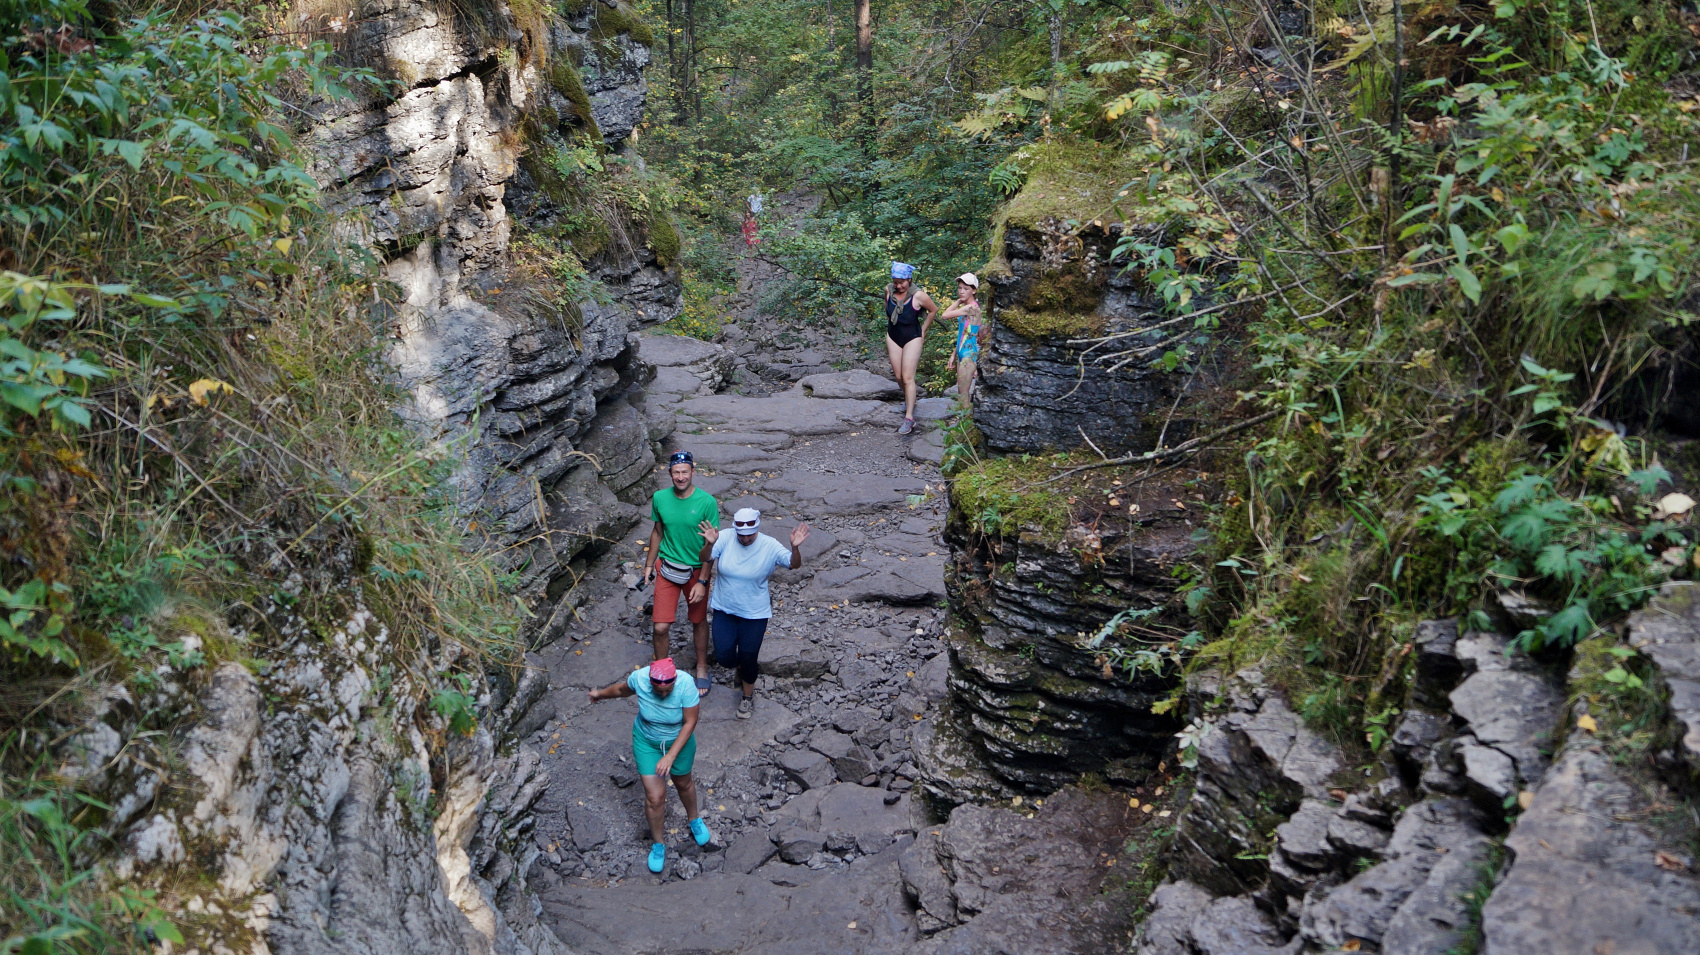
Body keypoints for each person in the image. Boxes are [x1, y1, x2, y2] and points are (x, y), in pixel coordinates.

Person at [586, 657, 711, 873]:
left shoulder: (685, 684)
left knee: (683, 783)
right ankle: (658, 843)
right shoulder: (640, 679)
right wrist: (600, 694)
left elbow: (690, 722)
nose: (663, 695)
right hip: (647, 741)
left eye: (667, 691)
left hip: (678, 741)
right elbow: (621, 691)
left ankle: (694, 819)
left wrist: (670, 756)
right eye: (658, 691)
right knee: (655, 797)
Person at [697, 508, 809, 720]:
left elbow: (793, 565)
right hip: (725, 608)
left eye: (750, 535)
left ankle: (747, 697)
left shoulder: (769, 545)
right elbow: (705, 557)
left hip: (755, 613)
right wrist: (710, 544)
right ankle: (738, 667)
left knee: (749, 657)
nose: (746, 538)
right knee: (724, 656)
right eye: (742, 535)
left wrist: (795, 548)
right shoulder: (726, 537)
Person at [644, 451, 719, 695]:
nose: (680, 476)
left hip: (697, 570)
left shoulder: (706, 502)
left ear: (693, 473)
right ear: (670, 474)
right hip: (668, 568)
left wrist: (704, 581)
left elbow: (711, 545)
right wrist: (648, 565)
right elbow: (657, 532)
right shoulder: (659, 498)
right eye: (676, 472)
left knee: (697, 619)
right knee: (660, 627)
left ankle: (701, 666)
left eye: (685, 471)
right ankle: (662, 670)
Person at [884, 261, 937, 435]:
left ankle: (909, 417)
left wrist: (923, 330)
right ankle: (909, 400)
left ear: (909, 279)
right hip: (893, 335)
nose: (898, 285)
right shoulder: (888, 290)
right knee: (898, 376)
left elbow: (933, 310)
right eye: (896, 282)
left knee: (908, 377)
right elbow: (888, 309)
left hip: (912, 337)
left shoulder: (918, 295)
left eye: (902, 282)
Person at [942, 272, 985, 409]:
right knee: (961, 392)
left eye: (966, 289)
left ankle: (964, 425)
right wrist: (953, 355)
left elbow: (944, 315)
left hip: (968, 354)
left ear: (974, 290)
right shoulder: (967, 307)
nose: (961, 291)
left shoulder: (970, 308)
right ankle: (962, 423)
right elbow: (964, 334)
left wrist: (958, 301)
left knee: (963, 394)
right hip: (962, 352)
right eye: (960, 288)